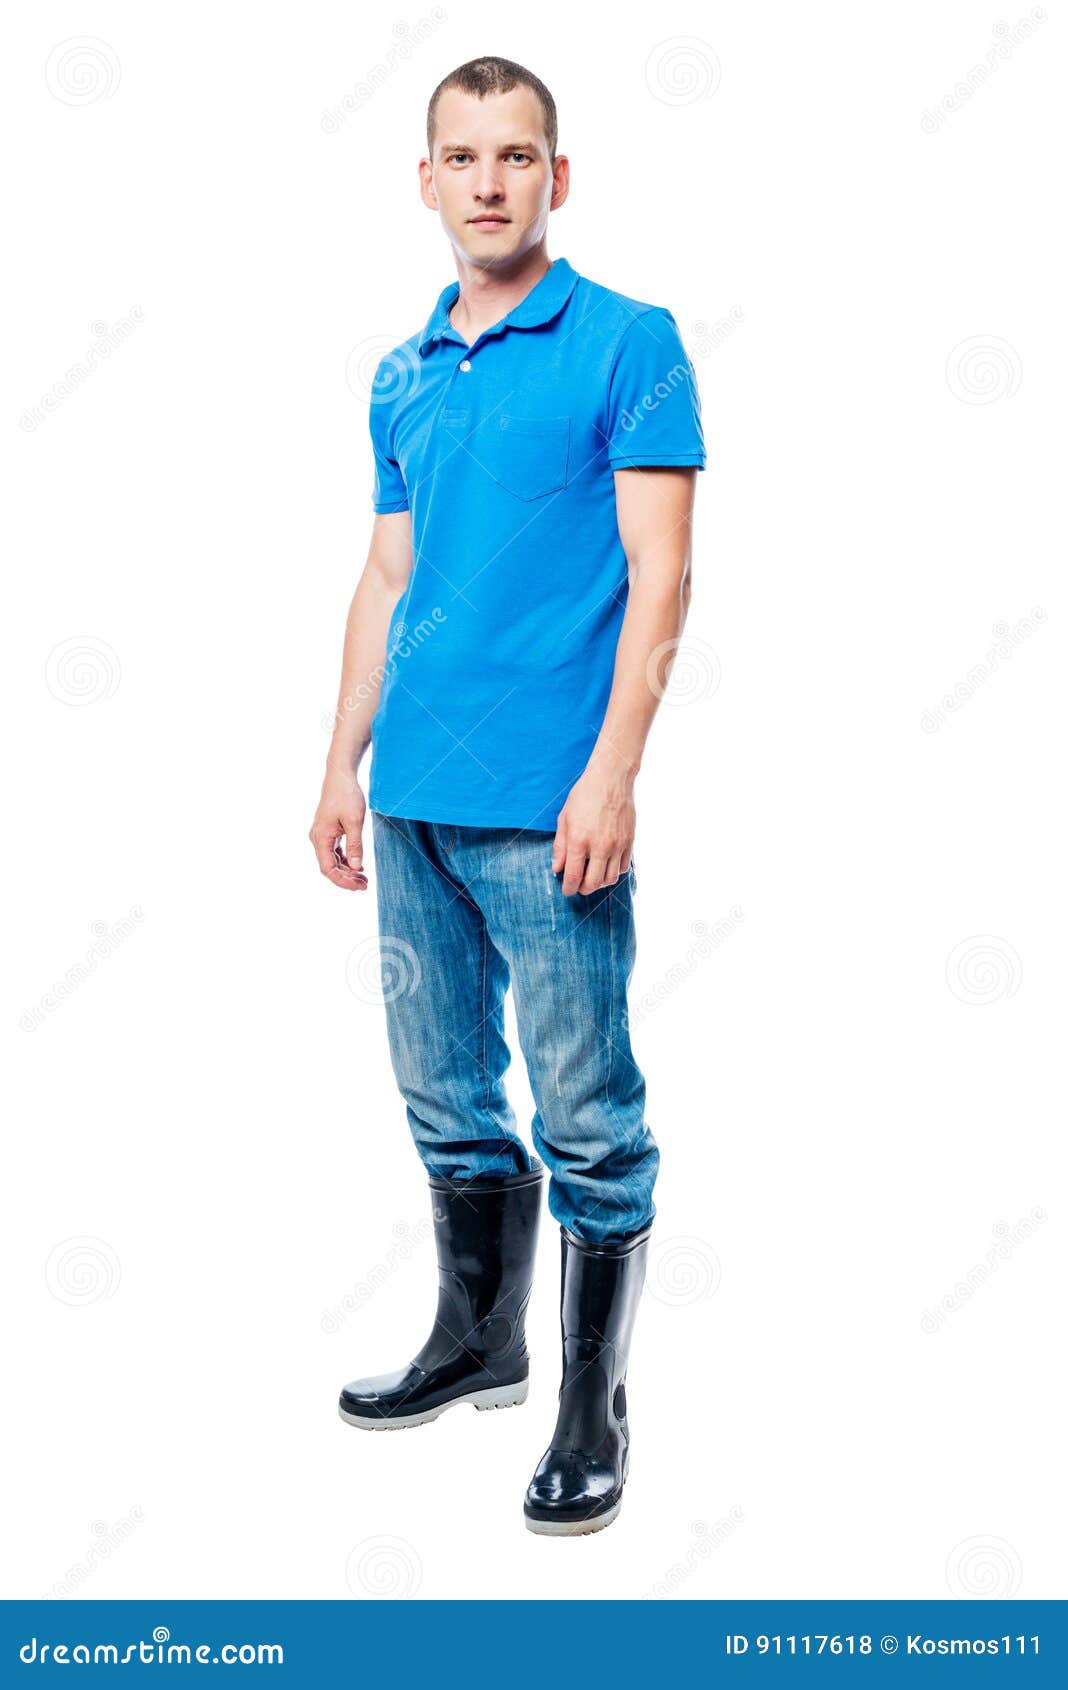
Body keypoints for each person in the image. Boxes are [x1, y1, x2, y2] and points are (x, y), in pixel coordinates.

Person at [310, 55, 705, 1536]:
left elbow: (663, 573)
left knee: (587, 1113)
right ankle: (479, 1339)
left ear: (558, 177)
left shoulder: (630, 342)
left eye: (517, 155)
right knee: (445, 1094)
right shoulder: (401, 370)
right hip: (411, 798)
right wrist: (340, 762)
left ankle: (594, 1406)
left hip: (553, 804)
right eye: (464, 157)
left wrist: (614, 774)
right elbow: (387, 574)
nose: (489, 181)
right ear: (426, 181)